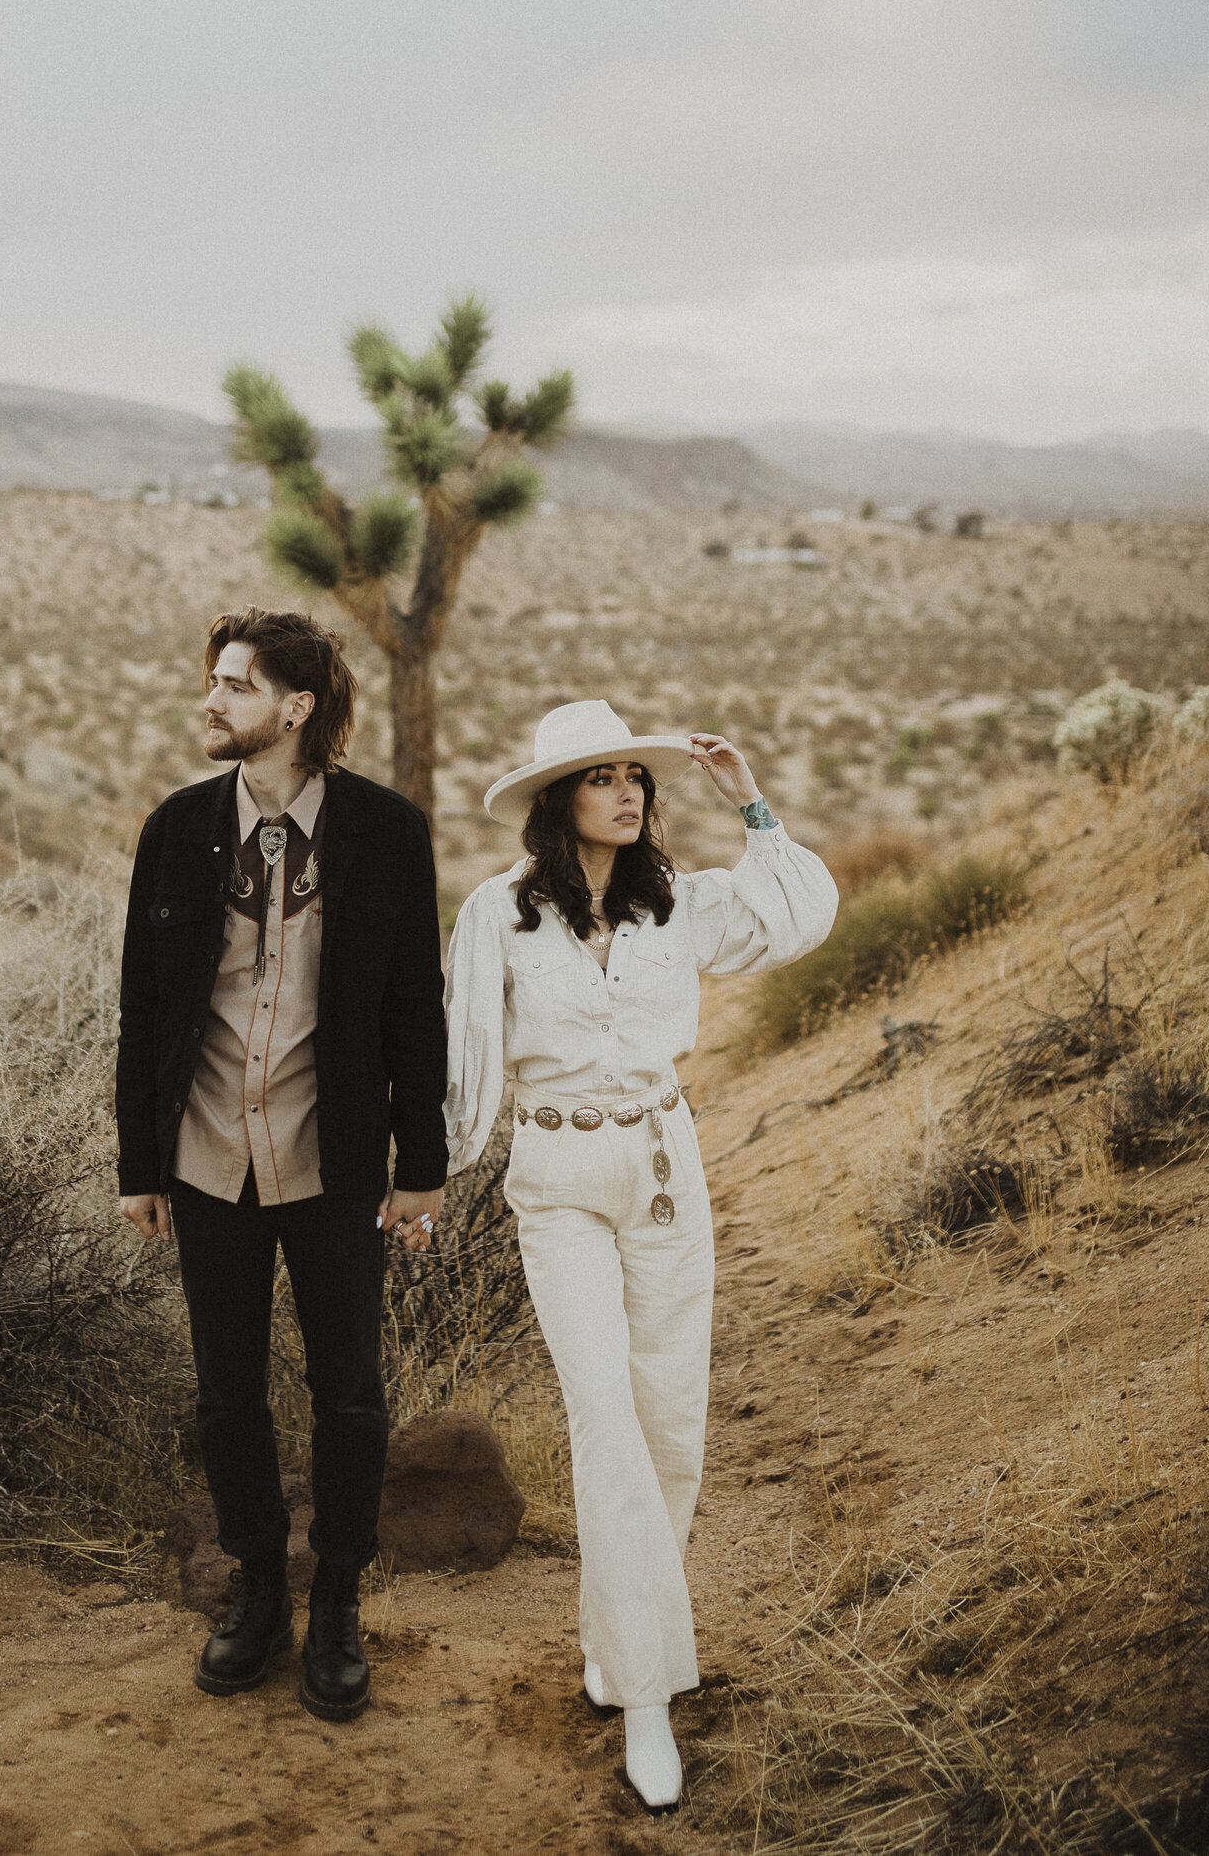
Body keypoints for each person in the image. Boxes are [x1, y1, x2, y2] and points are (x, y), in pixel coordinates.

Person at [444, 700, 837, 1811]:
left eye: (635, 776)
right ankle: (651, 1700)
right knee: (604, 1417)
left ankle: (619, 1647)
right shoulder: (498, 915)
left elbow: (803, 912)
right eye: (600, 775)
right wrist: (424, 1171)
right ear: (553, 799)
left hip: (666, 1168)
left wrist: (748, 799)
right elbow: (464, 1048)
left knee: (669, 1419)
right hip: (558, 1180)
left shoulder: (684, 906)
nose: (626, 791)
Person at [115, 607, 447, 1722]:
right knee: (226, 1392)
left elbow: (415, 1006)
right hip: (207, 1155)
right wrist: (138, 1163)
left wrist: (423, 1164)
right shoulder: (174, 827)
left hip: (335, 1161)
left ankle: (340, 1595)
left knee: (350, 1393)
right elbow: (142, 1009)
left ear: (296, 709)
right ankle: (259, 1587)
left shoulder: (386, 833)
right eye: (210, 682)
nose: (208, 701)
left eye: (233, 685)